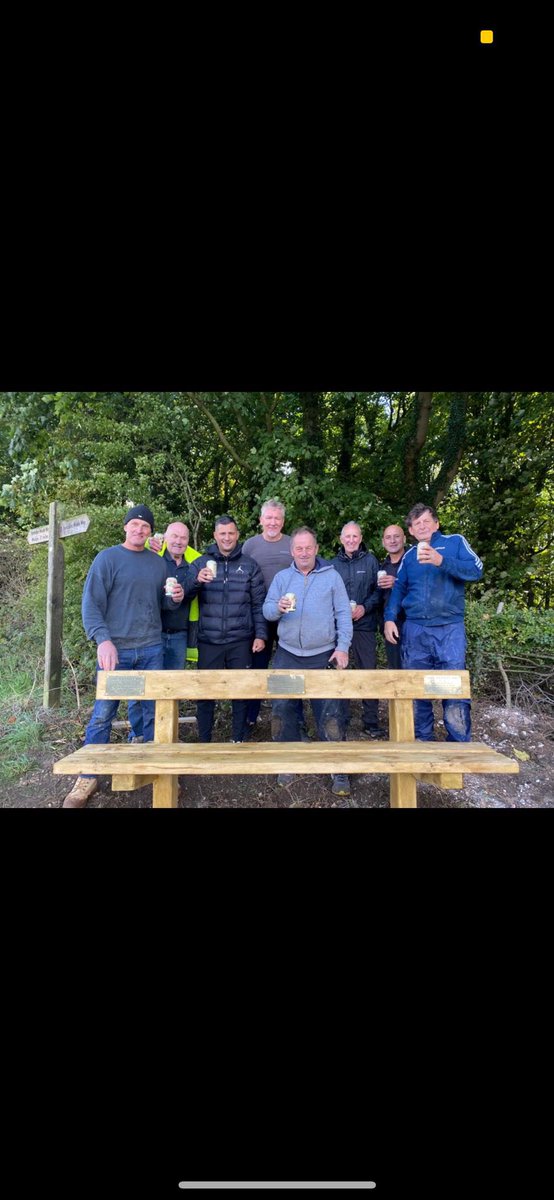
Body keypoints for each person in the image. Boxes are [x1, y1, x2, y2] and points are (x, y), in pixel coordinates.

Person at [62, 504, 184, 808]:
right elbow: (91, 606)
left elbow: (163, 606)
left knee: (152, 712)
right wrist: (103, 640)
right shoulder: (108, 559)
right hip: (118, 651)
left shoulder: (158, 564)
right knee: (104, 712)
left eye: (145, 526)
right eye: (135, 525)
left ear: (151, 532)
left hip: (152, 648)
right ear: (125, 527)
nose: (140, 530)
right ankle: (88, 775)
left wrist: (175, 599)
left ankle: (150, 767)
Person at [263, 526, 353, 797]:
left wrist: (343, 647)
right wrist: (277, 608)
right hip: (288, 653)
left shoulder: (332, 576)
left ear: (316, 549)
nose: (304, 552)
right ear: (292, 551)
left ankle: (338, 769)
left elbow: (343, 614)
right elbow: (267, 611)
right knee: (282, 710)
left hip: (323, 655)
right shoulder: (282, 577)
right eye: (298, 548)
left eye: (308, 548)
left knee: (331, 712)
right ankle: (287, 761)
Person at [384, 503, 483, 741]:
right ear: (411, 531)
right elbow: (398, 589)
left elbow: (476, 570)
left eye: (426, 521)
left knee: (453, 685)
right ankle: (422, 739)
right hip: (415, 629)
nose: (422, 526)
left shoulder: (455, 542)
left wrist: (442, 561)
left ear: (436, 523)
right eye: (417, 524)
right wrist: (389, 618)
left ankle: (458, 741)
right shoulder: (409, 556)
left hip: (449, 628)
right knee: (418, 687)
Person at [184, 515, 268, 744]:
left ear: (237, 535)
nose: (227, 537)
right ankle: (204, 742)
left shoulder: (249, 564)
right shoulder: (201, 563)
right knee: (205, 694)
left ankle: (238, 740)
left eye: (231, 533)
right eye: (222, 533)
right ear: (215, 535)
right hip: (209, 639)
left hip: (240, 639)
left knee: (240, 692)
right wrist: (196, 582)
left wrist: (260, 635)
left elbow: (258, 603)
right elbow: (184, 595)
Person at [242, 498, 295, 731]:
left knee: (288, 668)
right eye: (269, 518)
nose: (273, 522)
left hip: (289, 615)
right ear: (261, 520)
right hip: (258, 617)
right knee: (257, 666)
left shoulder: (293, 544)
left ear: (283, 522)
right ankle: (250, 717)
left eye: (277, 518)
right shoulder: (250, 546)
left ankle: (289, 718)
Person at [332, 521, 381, 737]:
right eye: (347, 536)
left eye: (355, 536)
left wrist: (365, 607)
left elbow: (379, 592)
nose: (351, 540)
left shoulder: (371, 561)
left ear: (360, 538)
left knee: (367, 673)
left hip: (365, 626)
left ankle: (371, 722)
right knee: (340, 673)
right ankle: (341, 719)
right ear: (341, 539)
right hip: (340, 629)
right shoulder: (332, 564)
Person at [148, 522, 201, 669]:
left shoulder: (195, 564)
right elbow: (133, 548)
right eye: (174, 536)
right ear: (165, 537)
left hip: (180, 635)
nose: (178, 541)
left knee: (174, 683)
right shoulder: (153, 557)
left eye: (183, 538)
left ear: (188, 541)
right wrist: (148, 542)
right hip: (154, 634)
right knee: (152, 682)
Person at [377, 524, 407, 669]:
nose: (393, 540)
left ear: (404, 539)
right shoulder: (382, 567)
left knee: (415, 671)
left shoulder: (413, 562)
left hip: (412, 625)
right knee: (395, 670)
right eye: (388, 537)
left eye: (397, 536)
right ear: (383, 542)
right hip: (390, 626)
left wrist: (397, 584)